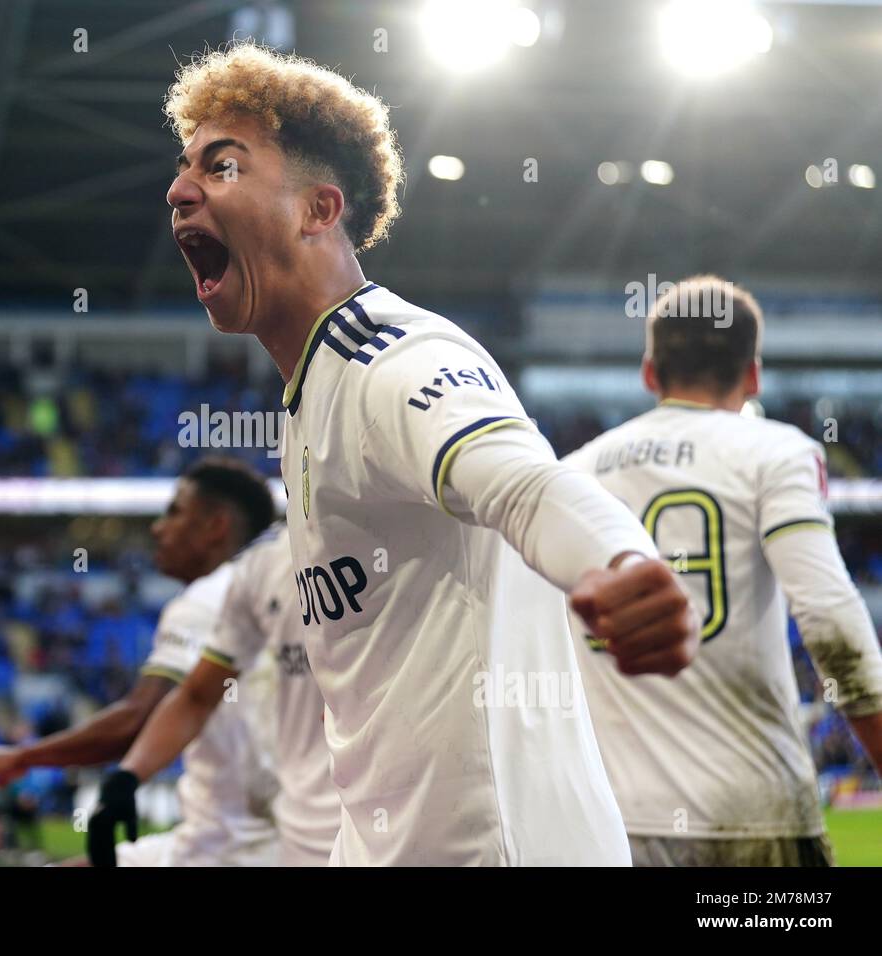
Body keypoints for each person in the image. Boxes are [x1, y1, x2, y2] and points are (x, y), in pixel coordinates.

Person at [162, 43, 700, 865]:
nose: (180, 190)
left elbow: (522, 483)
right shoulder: (311, 394)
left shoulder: (389, 357)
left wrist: (619, 561)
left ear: (317, 210)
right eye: (185, 167)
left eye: (222, 165)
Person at [563, 275, 882, 866]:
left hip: (610, 827)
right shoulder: (776, 452)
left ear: (650, 374)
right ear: (753, 374)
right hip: (750, 816)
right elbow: (830, 616)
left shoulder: (573, 473)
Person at [0, 458, 279, 866]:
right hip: (273, 832)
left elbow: (140, 719)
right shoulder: (278, 587)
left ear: (216, 525)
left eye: (175, 512)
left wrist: (22, 757)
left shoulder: (206, 599)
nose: (157, 528)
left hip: (234, 848)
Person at [91, 522, 338, 866]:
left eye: (176, 513)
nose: (159, 527)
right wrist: (128, 777)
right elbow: (198, 696)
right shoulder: (263, 566)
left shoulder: (408, 540)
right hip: (299, 832)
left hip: (391, 819)